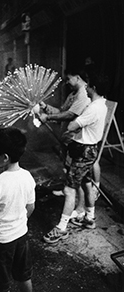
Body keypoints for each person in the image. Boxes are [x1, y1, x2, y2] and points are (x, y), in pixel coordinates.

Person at [43, 74, 108, 244]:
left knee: (69, 189)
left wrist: (76, 123)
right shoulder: (102, 104)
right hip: (88, 149)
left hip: (83, 151)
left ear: (93, 86)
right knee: (86, 184)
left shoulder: (93, 108)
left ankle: (61, 228)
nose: (85, 87)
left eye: (88, 85)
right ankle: (89, 218)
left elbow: (72, 125)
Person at [0, 127, 36, 292]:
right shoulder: (27, 176)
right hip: (20, 235)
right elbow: (30, 207)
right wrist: (18, 221)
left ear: (4, 157)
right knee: (24, 276)